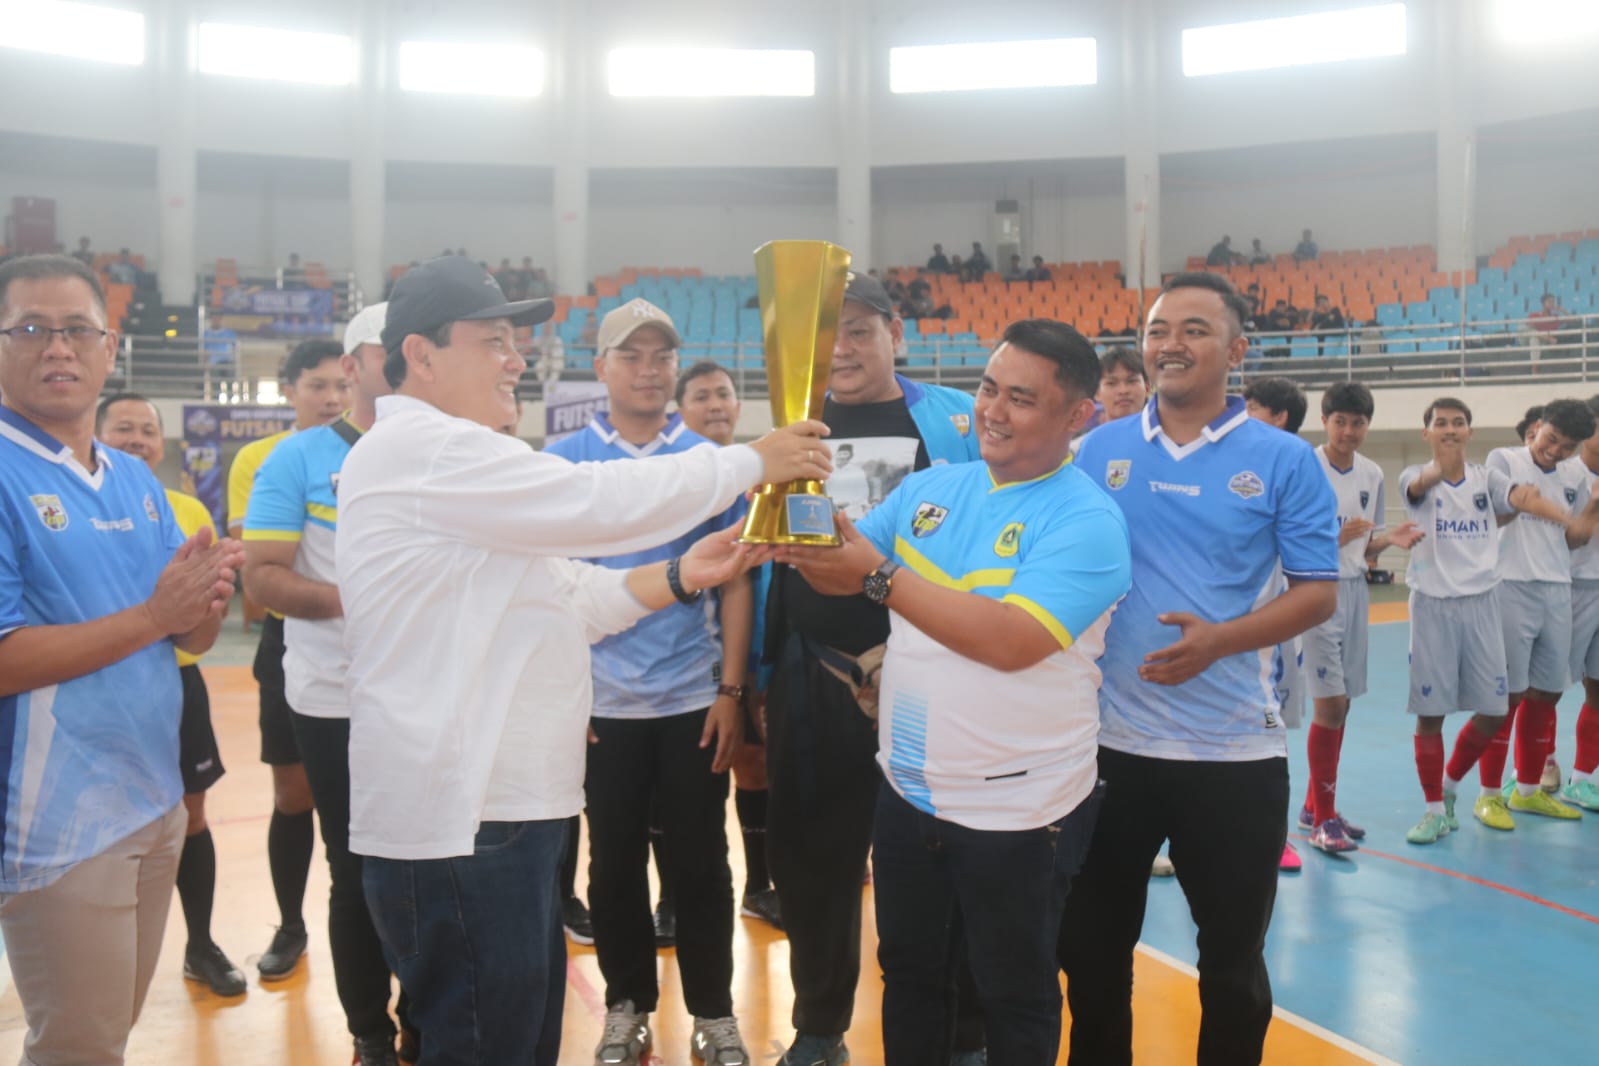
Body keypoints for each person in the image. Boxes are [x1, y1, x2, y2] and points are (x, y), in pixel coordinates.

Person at [335, 256, 831, 1066]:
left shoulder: (452, 464)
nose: (516, 358)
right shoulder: (423, 451)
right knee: (483, 1044)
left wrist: (680, 574)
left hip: (501, 815)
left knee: (520, 1040)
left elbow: (573, 597)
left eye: (515, 341)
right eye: (492, 339)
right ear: (421, 355)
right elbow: (595, 503)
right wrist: (748, 461)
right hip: (463, 822)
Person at [780, 319, 1131, 1066]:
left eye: (1021, 399)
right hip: (908, 795)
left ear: (1078, 417)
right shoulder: (932, 489)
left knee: (1014, 990)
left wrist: (875, 575)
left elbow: (1010, 642)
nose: (992, 412)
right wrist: (794, 497)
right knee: (908, 976)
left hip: (1020, 808)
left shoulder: (1086, 520)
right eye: (986, 388)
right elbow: (834, 559)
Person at [1060, 272, 1338, 1066]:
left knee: (1232, 967)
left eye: (1192, 329)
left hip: (1232, 755)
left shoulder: (1283, 460)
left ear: (1236, 349)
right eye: (1156, 330)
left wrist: (1219, 640)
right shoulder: (1098, 449)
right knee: (1092, 957)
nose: (1168, 345)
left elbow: (1316, 592)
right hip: (1108, 751)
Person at [0, 253, 240, 1064]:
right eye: (31, 329)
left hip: (154, 799)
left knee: (108, 1035)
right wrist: (155, 614)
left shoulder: (135, 478)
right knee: (77, 1047)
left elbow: (186, 638)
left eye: (76, 331)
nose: (56, 348)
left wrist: (207, 603)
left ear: (109, 349)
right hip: (58, 824)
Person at [763, 272, 982, 1066]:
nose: (843, 350)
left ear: (897, 332)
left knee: (943, 859)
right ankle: (819, 1027)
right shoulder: (787, 427)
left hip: (932, 676)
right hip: (811, 675)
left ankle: (958, 1035)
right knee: (810, 862)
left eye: (859, 330)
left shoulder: (957, 419)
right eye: (827, 335)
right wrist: (754, 679)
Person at [545, 303, 756, 1066]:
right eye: (629, 354)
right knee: (613, 863)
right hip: (600, 706)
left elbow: (735, 583)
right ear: (598, 367)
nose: (647, 368)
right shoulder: (563, 458)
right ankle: (626, 1007)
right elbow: (548, 584)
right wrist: (565, 694)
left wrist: (730, 693)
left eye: (661, 356)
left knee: (701, 862)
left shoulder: (707, 460)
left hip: (690, 700)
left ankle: (715, 1012)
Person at [243, 304, 410, 1066]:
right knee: (355, 867)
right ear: (352, 366)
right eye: (389, 351)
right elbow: (265, 576)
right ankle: (370, 1034)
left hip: (429, 692)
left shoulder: (443, 449)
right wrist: (367, 598)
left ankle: (431, 1019)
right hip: (335, 696)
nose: (408, 361)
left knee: (429, 860)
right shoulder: (297, 458)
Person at [96, 393, 247, 998]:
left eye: (148, 430)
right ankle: (97, 956)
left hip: (175, 680)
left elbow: (199, 613)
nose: (137, 438)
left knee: (190, 817)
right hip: (97, 680)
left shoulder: (180, 506)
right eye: (124, 428)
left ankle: (200, 944)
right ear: (99, 432)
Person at [1399, 398, 1587, 843]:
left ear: (1470, 432)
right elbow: (1420, 484)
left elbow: (1519, 497)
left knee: (1498, 707)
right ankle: (1434, 809)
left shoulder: (1488, 478)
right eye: (1440, 423)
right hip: (1434, 606)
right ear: (1426, 433)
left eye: (1458, 423)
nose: (1450, 429)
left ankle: (1452, 789)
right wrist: (1439, 469)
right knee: (1432, 713)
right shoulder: (1416, 477)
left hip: (1484, 604)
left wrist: (1553, 509)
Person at [226, 339, 349, 982]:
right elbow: (263, 558)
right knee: (293, 793)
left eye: (340, 385)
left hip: (370, 648)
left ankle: (372, 928)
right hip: (290, 642)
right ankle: (291, 923)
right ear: (290, 390)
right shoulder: (264, 458)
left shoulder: (373, 452)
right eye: (316, 385)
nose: (331, 398)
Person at [676, 361, 784, 931]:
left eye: (724, 393)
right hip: (698, 662)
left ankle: (760, 884)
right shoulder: (675, 480)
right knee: (706, 776)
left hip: (762, 649)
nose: (715, 404)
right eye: (701, 396)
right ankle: (677, 897)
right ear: (681, 410)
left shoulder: (761, 480)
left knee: (757, 765)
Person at [1299, 384, 1422, 853]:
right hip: (1314, 590)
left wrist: (1389, 538)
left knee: (1344, 703)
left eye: (1358, 422)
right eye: (1340, 421)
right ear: (1326, 421)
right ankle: (1323, 821)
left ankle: (1316, 806)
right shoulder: (1305, 466)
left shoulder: (1371, 473)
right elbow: (1289, 539)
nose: (1349, 431)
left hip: (1354, 592)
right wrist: (1334, 535)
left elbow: (1362, 546)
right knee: (1328, 705)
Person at [1479, 397, 1598, 827]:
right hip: (1511, 585)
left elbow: (1576, 538)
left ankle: (1529, 791)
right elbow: (1508, 504)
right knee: (1506, 696)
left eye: (1567, 446)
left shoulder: (1574, 474)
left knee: (1547, 692)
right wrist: (1549, 509)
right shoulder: (1504, 459)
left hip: (1557, 587)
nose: (1556, 451)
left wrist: (1591, 506)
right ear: (1538, 425)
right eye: (1551, 439)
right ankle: (1489, 794)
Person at [1558, 397, 1599, 812]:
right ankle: (1532, 773)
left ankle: (1583, 779)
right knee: (1545, 688)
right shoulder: (1566, 474)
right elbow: (1570, 538)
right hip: (1567, 588)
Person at [1097, 346, 1148, 422]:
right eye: (1111, 383)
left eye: (1132, 381)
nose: (1123, 390)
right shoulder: (1090, 434)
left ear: (1147, 387)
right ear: (1097, 393)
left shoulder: (1166, 433)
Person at [1243, 376, 1307, 434]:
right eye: (1244, 408)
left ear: (1280, 417)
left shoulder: (1297, 447)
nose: (1244, 413)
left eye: (1252, 408)